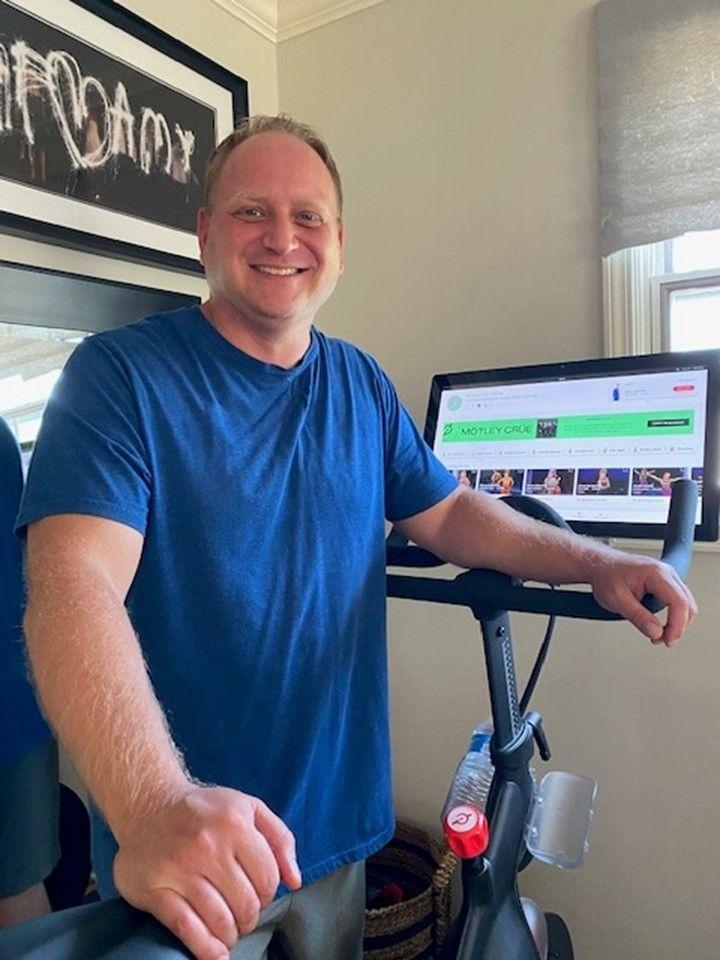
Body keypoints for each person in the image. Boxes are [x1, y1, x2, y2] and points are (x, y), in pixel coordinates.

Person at [16, 115, 697, 960]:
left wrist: (596, 564)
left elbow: (450, 514)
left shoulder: (360, 383)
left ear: (338, 242)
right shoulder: (119, 377)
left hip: (341, 828)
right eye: (250, 212)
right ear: (204, 233)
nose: (282, 238)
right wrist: (155, 803)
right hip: (201, 843)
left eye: (308, 217)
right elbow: (73, 586)